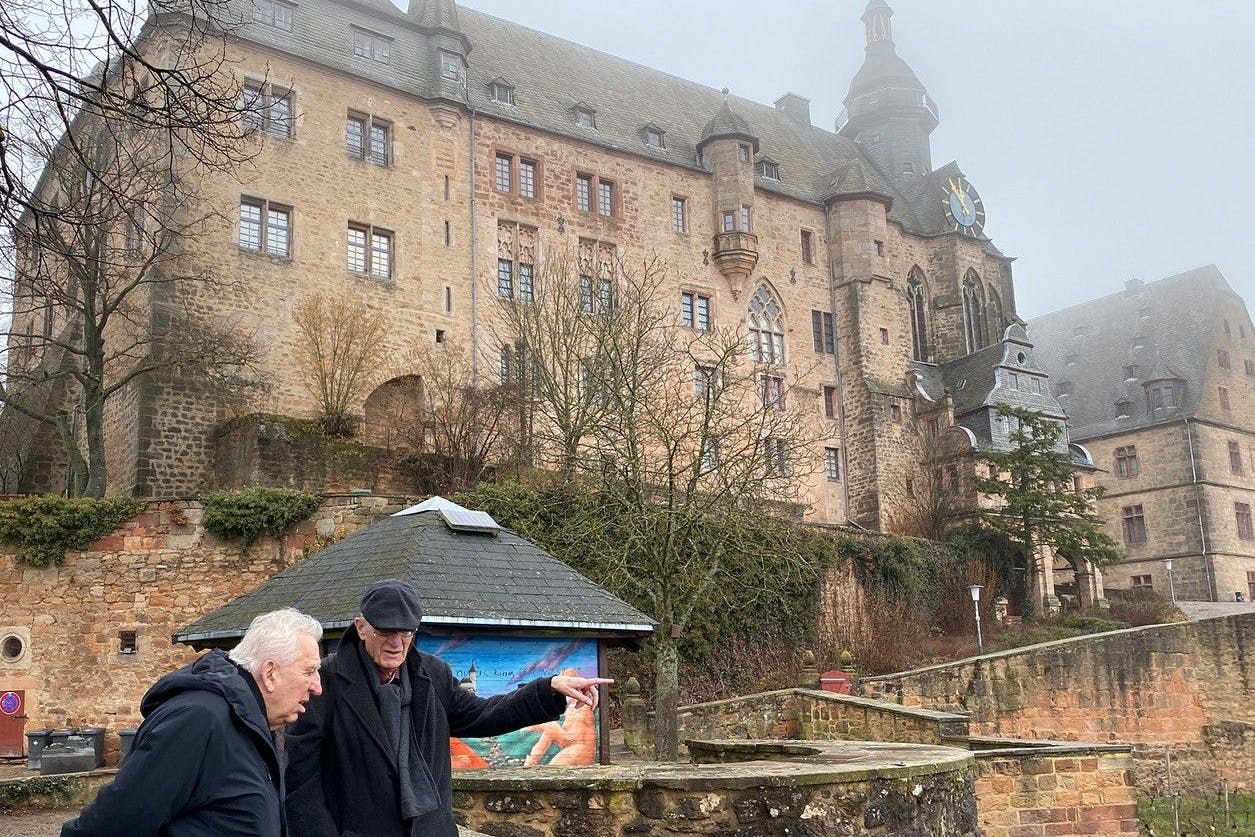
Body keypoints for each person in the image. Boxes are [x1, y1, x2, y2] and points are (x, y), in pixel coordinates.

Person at [286, 579, 611, 837]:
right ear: (361, 627)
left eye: (407, 632)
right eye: (386, 631)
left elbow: (485, 714)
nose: (397, 643)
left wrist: (547, 688)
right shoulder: (324, 681)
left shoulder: (434, 674)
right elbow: (299, 782)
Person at [62, 608, 324, 837]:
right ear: (270, 673)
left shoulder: (258, 728)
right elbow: (107, 828)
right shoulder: (199, 721)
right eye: (309, 671)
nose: (318, 687)